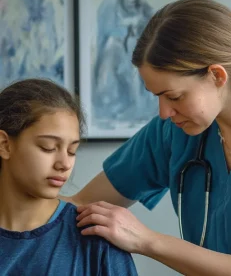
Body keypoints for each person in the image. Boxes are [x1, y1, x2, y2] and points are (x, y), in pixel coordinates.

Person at [64, 0, 231, 275]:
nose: (164, 112)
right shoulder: (174, 132)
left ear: (216, 76)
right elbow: (82, 203)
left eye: (174, 96)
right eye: (157, 97)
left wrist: (147, 241)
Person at [0, 79, 138, 275]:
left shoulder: (95, 238)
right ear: (4, 145)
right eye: (47, 147)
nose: (64, 164)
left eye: (72, 151)